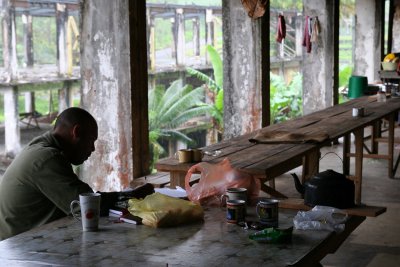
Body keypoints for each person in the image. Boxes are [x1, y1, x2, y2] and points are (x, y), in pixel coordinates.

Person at [0, 107, 153, 240]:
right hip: (19, 247)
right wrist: (131, 196)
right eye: (91, 141)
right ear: (76, 132)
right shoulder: (47, 158)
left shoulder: (40, 147)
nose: (92, 149)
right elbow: (86, 207)